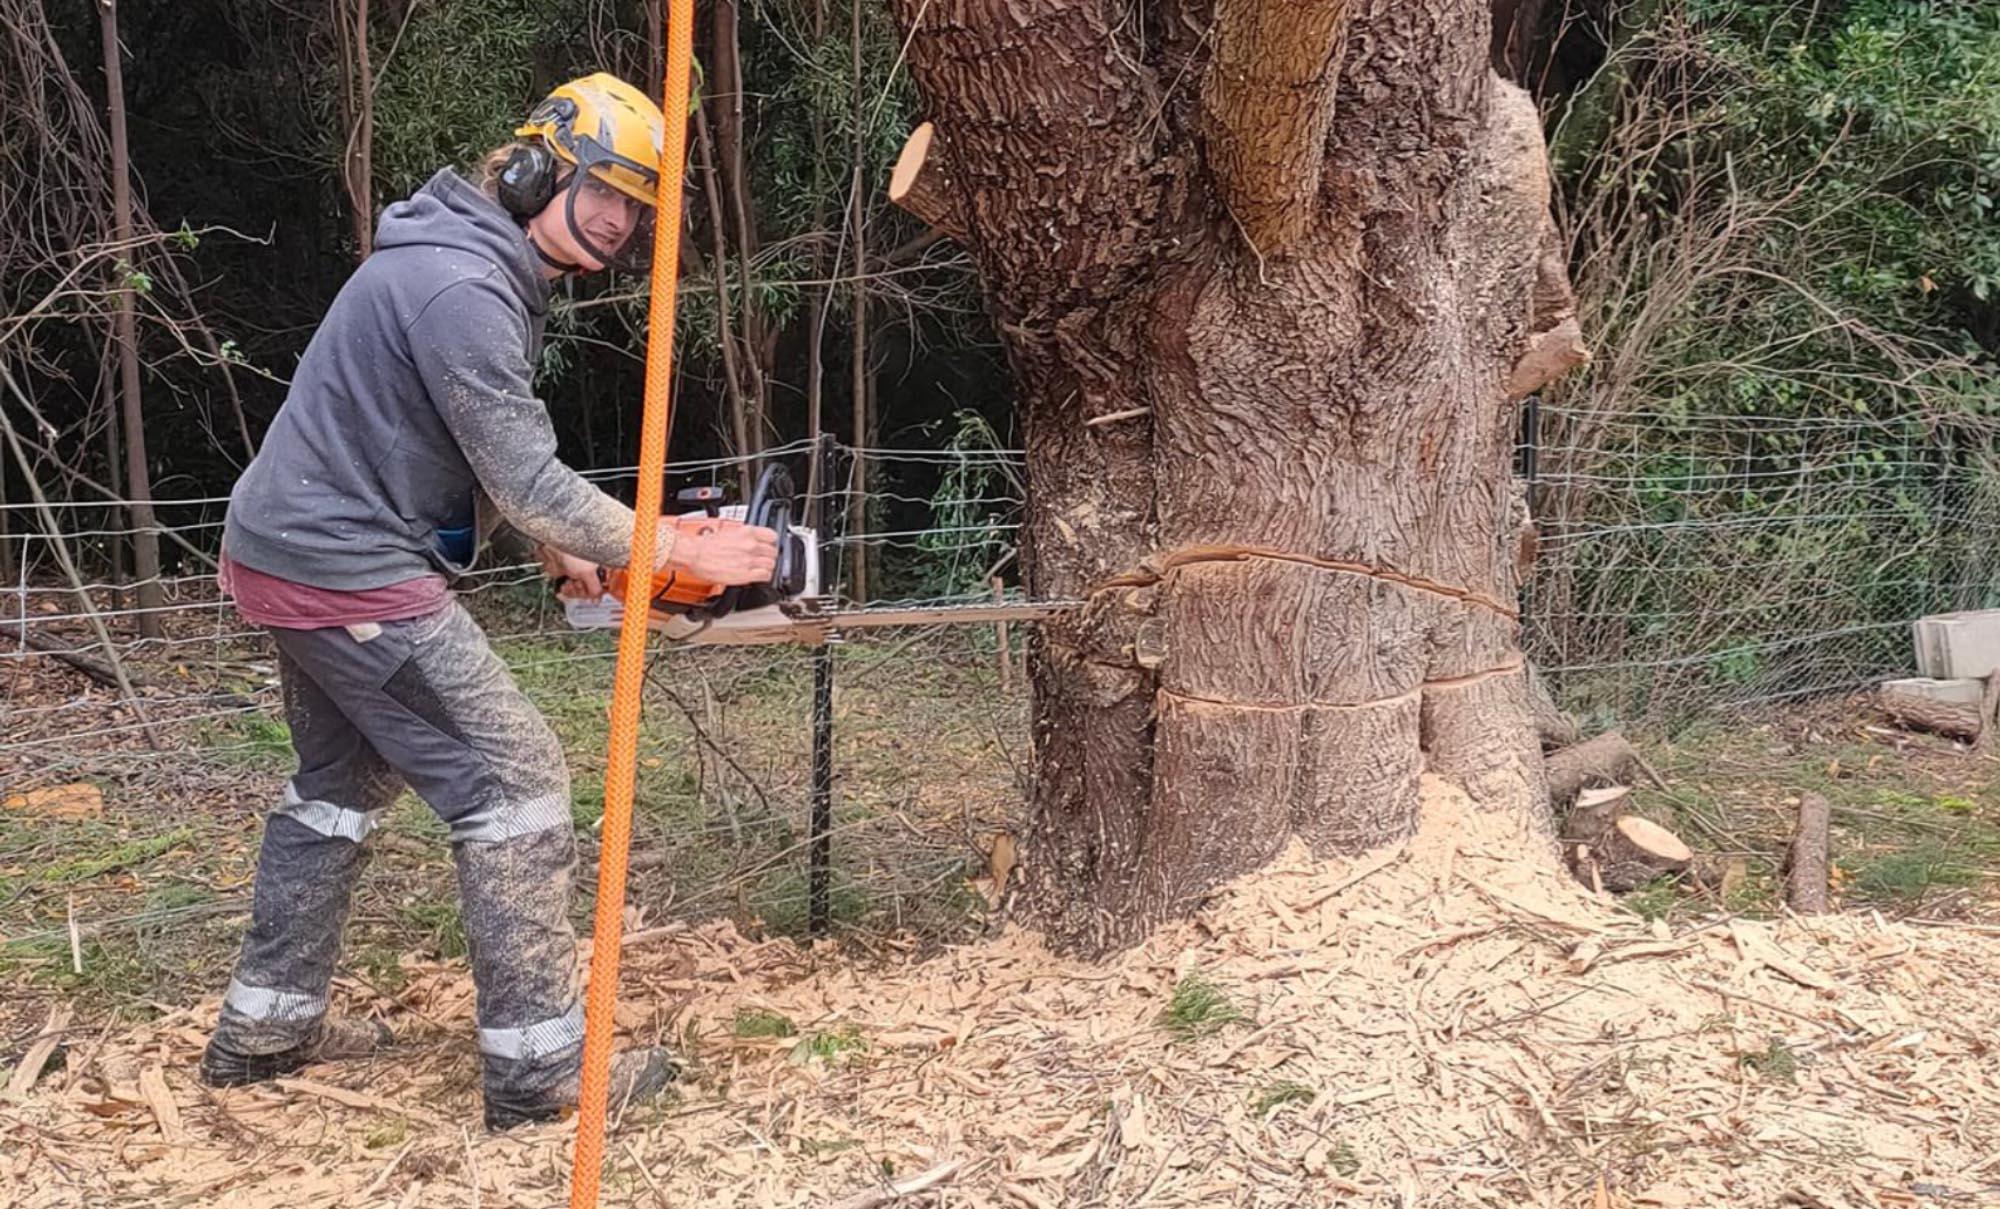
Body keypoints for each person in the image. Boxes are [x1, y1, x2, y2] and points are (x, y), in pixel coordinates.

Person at [198, 73, 778, 1130]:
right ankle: (540, 1071)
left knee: (337, 787)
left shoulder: (456, 260)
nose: (618, 220)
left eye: (637, 206)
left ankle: (263, 1030)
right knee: (515, 785)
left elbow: (457, 450)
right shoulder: (463, 287)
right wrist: (672, 547)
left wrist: (565, 555)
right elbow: (526, 482)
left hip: (287, 551)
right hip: (346, 570)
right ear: (533, 168)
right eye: (603, 187)